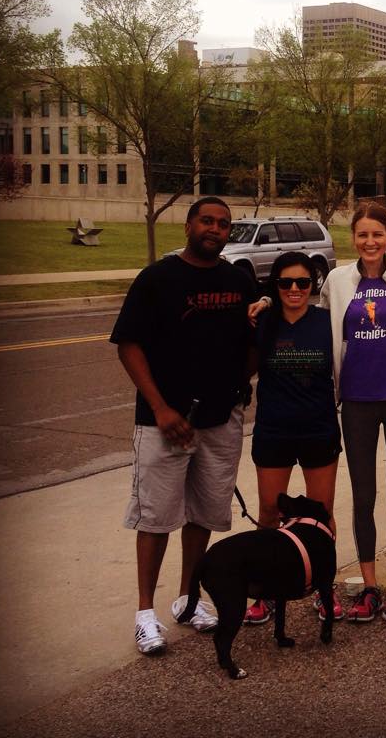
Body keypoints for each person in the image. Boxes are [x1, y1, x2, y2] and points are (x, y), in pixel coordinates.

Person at [111, 196, 255, 656]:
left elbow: (252, 343)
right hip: (165, 423)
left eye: (223, 224)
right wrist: (160, 408)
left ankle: (189, 601)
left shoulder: (238, 281)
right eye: (206, 221)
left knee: (202, 515)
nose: (214, 228)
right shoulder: (158, 278)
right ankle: (145, 614)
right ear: (190, 225)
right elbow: (129, 345)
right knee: (155, 518)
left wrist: (237, 388)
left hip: (220, 422)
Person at [319, 201, 386, 633]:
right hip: (357, 403)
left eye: (377, 234)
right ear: (354, 239)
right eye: (362, 235)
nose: (370, 242)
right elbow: (317, 323)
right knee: (363, 498)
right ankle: (369, 587)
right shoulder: (337, 280)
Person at [241, 250, 342, 627]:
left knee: (321, 516)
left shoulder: (326, 321)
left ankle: (324, 590)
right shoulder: (262, 320)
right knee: (269, 512)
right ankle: (266, 591)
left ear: (313, 285)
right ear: (275, 285)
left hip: (318, 429)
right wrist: (263, 301)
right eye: (285, 283)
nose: (295, 289)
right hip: (274, 430)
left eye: (303, 282)